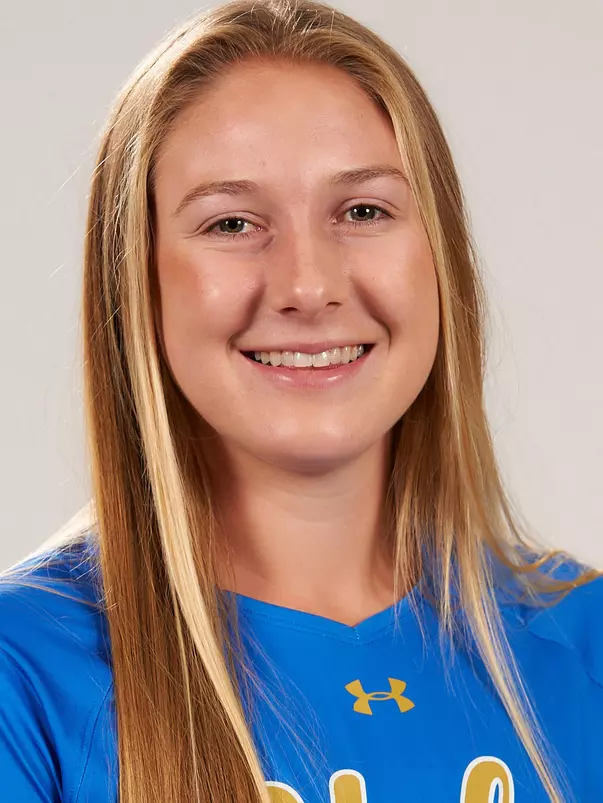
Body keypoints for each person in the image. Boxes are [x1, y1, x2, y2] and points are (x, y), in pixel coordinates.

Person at [1, 0, 601, 801]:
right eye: (232, 222)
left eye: (362, 211)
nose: (307, 285)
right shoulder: (25, 672)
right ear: (136, 282)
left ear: (440, 258)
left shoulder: (583, 639)